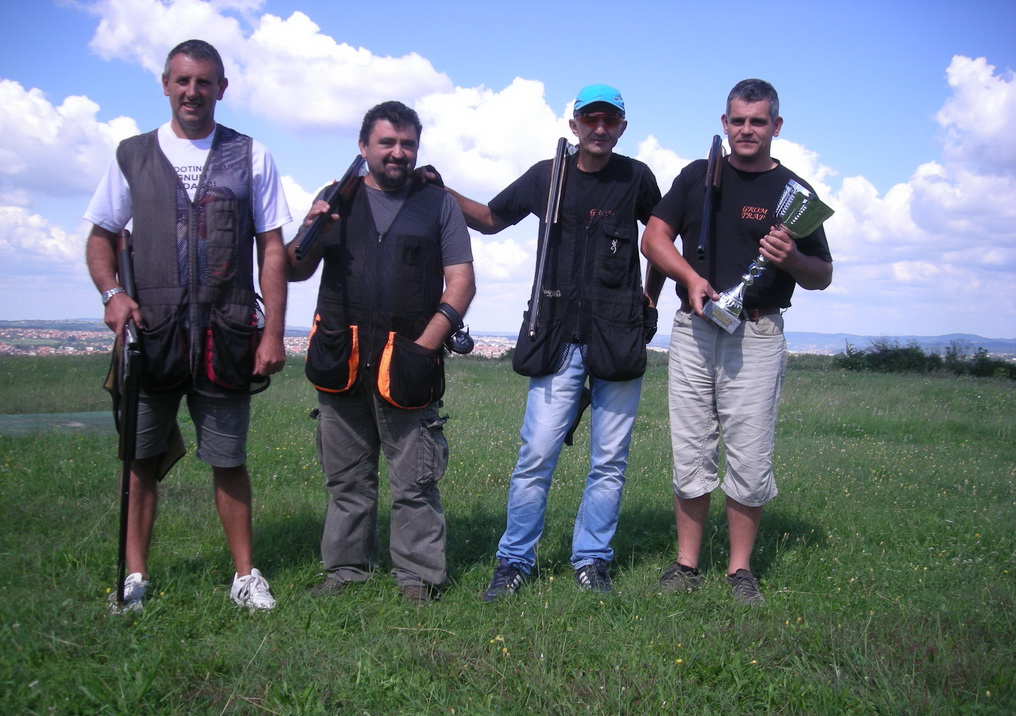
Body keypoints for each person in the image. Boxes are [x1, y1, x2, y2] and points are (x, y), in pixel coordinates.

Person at [434, 84, 684, 599]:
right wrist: (441, 190)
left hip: (618, 335)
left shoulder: (637, 178)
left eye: (609, 120)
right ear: (573, 125)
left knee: (609, 461)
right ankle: (514, 560)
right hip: (556, 338)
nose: (599, 128)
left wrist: (650, 299)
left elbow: (660, 239)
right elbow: (489, 219)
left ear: (621, 127)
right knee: (537, 455)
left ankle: (592, 560)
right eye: (589, 119)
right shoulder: (546, 176)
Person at [85, 40, 291, 611]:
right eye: (182, 80)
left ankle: (245, 576)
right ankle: (134, 577)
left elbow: (272, 249)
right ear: (165, 84)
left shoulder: (252, 155)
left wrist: (272, 332)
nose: (192, 91)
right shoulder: (132, 154)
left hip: (225, 336)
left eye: (204, 82)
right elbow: (102, 235)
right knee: (140, 457)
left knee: (228, 458)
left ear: (222, 88)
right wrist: (113, 294)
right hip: (151, 336)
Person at [643, 79, 833, 605]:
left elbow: (823, 274)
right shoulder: (698, 177)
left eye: (757, 121)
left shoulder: (796, 193)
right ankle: (686, 565)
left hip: (758, 332)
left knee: (749, 454)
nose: (746, 130)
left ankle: (740, 571)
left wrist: (791, 259)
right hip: (694, 328)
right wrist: (690, 278)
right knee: (690, 448)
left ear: (776, 125)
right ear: (724, 124)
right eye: (737, 120)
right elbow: (653, 238)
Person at [288, 101, 475, 604]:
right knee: (347, 479)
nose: (398, 152)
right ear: (363, 146)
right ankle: (346, 571)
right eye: (387, 142)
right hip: (339, 358)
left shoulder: (438, 204)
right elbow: (293, 268)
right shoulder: (335, 198)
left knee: (415, 482)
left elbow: (460, 281)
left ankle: (419, 578)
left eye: (407, 143)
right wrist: (310, 229)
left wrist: (427, 343)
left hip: (408, 363)